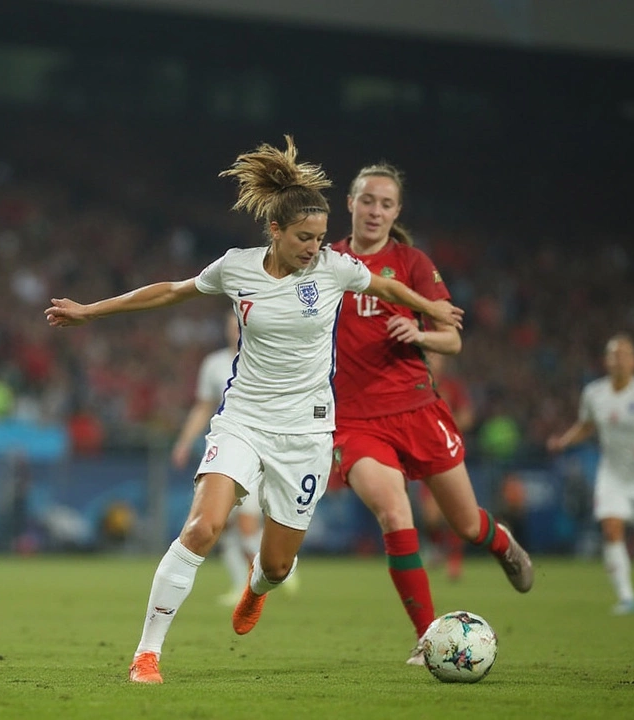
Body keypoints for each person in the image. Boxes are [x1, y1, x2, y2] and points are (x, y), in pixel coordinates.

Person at [45, 136, 463, 684]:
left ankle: (257, 589)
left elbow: (384, 283)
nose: (314, 248)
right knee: (202, 527)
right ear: (275, 231)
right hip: (243, 421)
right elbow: (170, 291)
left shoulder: (336, 268)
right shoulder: (236, 268)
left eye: (318, 238)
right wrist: (91, 312)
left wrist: (430, 305)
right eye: (303, 238)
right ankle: (147, 653)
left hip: (307, 433)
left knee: (276, 564)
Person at [328, 163, 533, 666]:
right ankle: (428, 637)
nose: (376, 210)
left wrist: (420, 335)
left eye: (386, 204)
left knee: (465, 525)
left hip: (417, 409)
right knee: (395, 513)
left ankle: (501, 542)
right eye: (368, 200)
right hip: (354, 420)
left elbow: (453, 338)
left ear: (396, 212)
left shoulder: (412, 262)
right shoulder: (326, 260)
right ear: (350, 203)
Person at [547, 334, 634, 615]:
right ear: (606, 361)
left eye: (625, 354)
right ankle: (626, 598)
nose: (619, 359)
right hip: (611, 475)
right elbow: (587, 426)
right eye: (613, 354)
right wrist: (563, 442)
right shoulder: (594, 393)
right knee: (611, 529)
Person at [169, 312, 276, 605]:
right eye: (232, 326)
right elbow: (203, 407)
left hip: (258, 452)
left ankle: (276, 572)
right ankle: (245, 583)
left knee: (245, 522)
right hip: (226, 452)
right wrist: (184, 442)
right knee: (224, 527)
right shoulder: (215, 364)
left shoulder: (268, 359)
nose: (236, 331)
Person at [416, 352, 475, 581]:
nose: (433, 362)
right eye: (429, 357)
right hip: (424, 455)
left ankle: (454, 561)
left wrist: (443, 426)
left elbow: (468, 417)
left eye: (436, 358)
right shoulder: (416, 385)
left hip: (449, 453)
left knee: (453, 513)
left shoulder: (452, 386)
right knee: (430, 516)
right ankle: (437, 549)